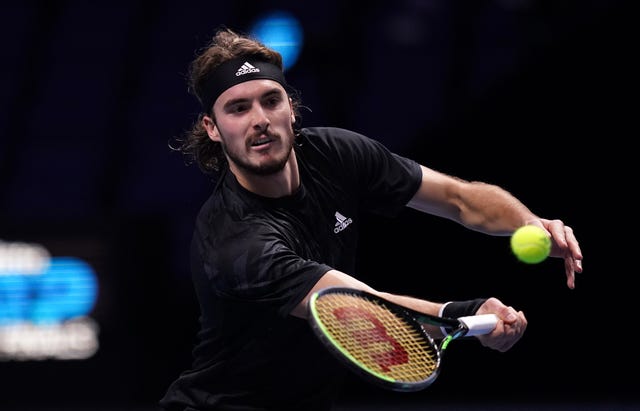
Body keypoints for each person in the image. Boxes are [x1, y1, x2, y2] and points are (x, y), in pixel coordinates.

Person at [159, 27, 583, 411]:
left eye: (271, 100)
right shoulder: (233, 238)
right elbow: (364, 313)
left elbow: (459, 198)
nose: (260, 120)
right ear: (213, 129)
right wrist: (466, 314)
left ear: (291, 107)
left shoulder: (337, 154)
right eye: (238, 108)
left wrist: (530, 223)